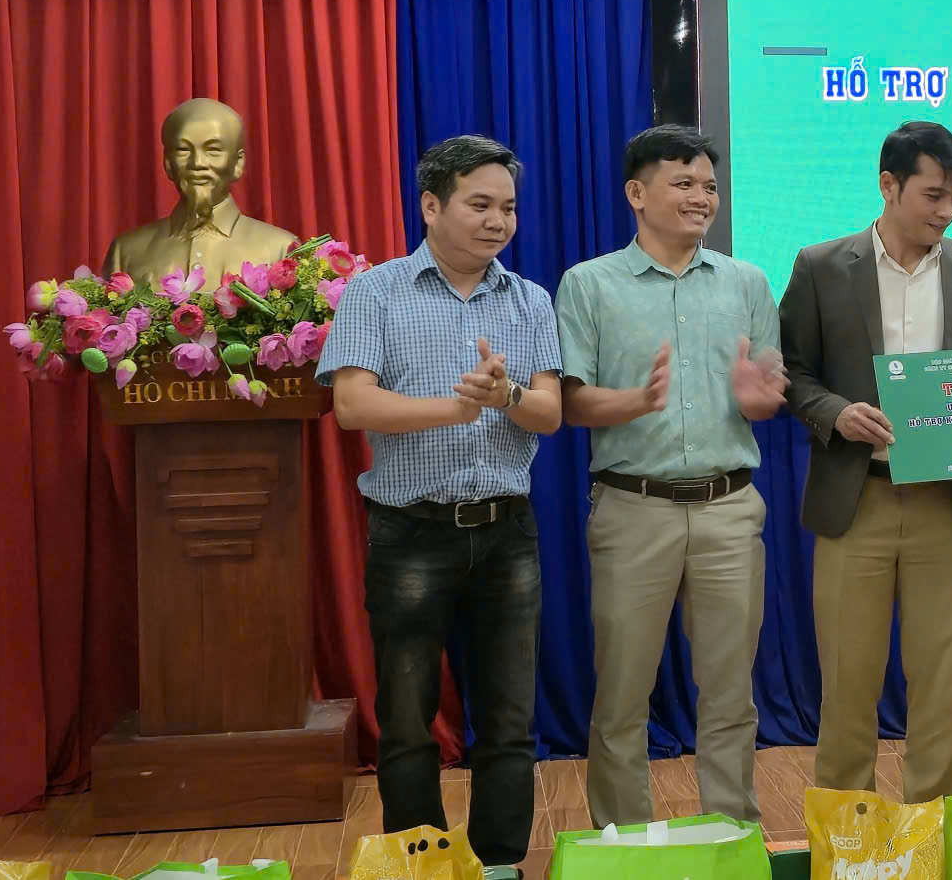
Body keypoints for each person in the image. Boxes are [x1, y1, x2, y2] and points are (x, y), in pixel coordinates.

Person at [318, 135, 563, 879]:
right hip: (410, 533)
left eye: (508, 208)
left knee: (510, 722)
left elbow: (550, 413)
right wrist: (453, 410)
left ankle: (498, 864)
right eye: (480, 204)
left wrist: (506, 395)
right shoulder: (376, 292)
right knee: (406, 722)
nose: (498, 222)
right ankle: (418, 865)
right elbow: (353, 404)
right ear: (431, 205)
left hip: (506, 532)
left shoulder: (529, 300)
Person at [779, 121, 952, 802]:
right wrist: (835, 412)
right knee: (847, 682)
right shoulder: (821, 266)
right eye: (934, 195)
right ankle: (846, 834)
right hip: (855, 497)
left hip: (946, 505)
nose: (948, 211)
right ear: (888, 186)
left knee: (943, 686)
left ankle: (935, 831)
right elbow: (793, 371)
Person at [556, 124, 787, 828]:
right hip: (634, 509)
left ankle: (732, 838)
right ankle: (621, 847)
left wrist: (761, 399)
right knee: (623, 696)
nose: (701, 198)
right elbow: (570, 403)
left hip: (728, 509)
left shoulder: (747, 282)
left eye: (709, 186)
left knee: (731, 694)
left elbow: (768, 393)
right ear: (637, 192)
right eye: (683, 183)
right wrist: (635, 401)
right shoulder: (589, 284)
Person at [104, 96, 300, 284]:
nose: (197, 163)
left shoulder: (281, 249)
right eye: (183, 150)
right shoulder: (126, 252)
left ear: (238, 163)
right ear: (168, 163)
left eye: (213, 150)